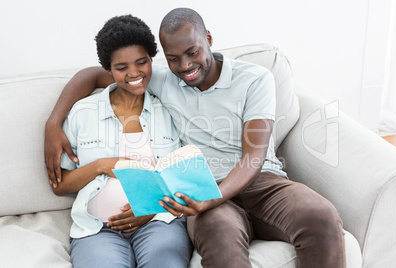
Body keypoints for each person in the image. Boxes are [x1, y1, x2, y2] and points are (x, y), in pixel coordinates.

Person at [45, 8, 346, 268]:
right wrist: (54, 122)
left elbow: (253, 156)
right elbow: (94, 75)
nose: (185, 66)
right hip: (202, 189)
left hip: (261, 182)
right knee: (220, 239)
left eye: (192, 52)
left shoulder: (254, 78)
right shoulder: (161, 79)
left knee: (320, 215)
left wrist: (212, 197)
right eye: (174, 58)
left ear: (209, 40)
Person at [52, 14, 192, 267]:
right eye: (121, 67)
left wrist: (151, 208)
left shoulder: (170, 108)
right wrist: (101, 165)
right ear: (108, 69)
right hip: (97, 230)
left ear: (152, 60)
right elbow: (60, 185)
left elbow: (187, 173)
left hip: (158, 220)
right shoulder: (83, 113)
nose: (134, 73)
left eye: (142, 62)